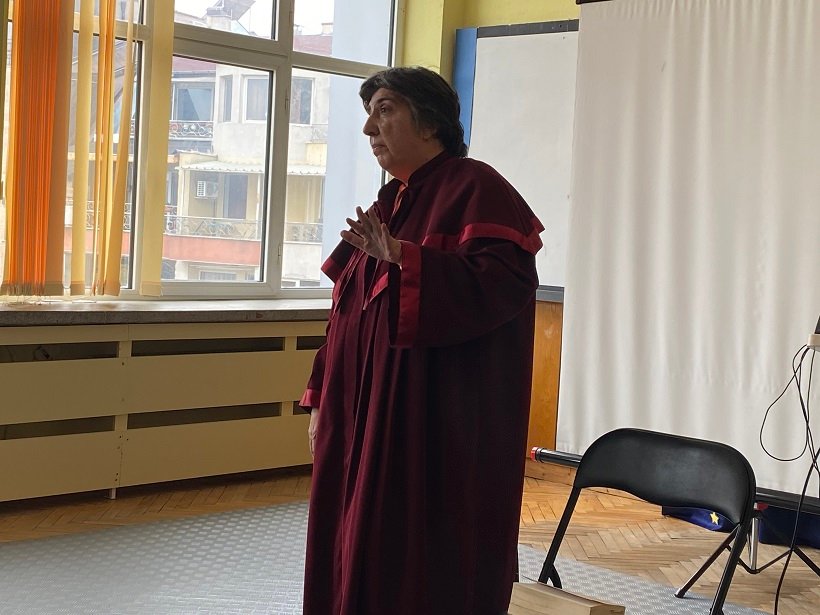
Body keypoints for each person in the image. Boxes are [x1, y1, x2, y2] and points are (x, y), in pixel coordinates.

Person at [300, 66, 543, 615]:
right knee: (352, 543)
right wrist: (321, 397)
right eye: (369, 114)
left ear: (430, 122)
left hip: (432, 422)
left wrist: (407, 259)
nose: (369, 129)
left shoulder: (477, 188)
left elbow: (500, 286)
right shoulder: (390, 202)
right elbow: (346, 309)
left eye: (385, 111)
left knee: (415, 555)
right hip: (357, 415)